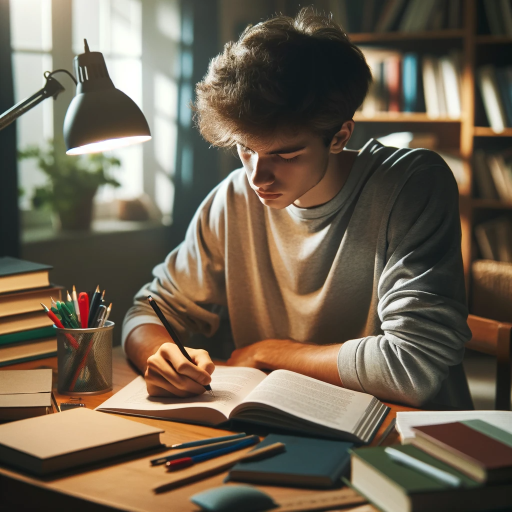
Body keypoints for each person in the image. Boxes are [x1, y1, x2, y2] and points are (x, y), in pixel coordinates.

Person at [123, 8, 472, 409]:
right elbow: (147, 310)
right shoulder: (232, 199)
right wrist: (159, 354)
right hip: (288, 424)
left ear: (339, 135)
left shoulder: (411, 184)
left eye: (285, 155)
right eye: (245, 149)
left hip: (407, 437)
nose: (258, 177)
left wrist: (270, 352)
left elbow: (412, 366)